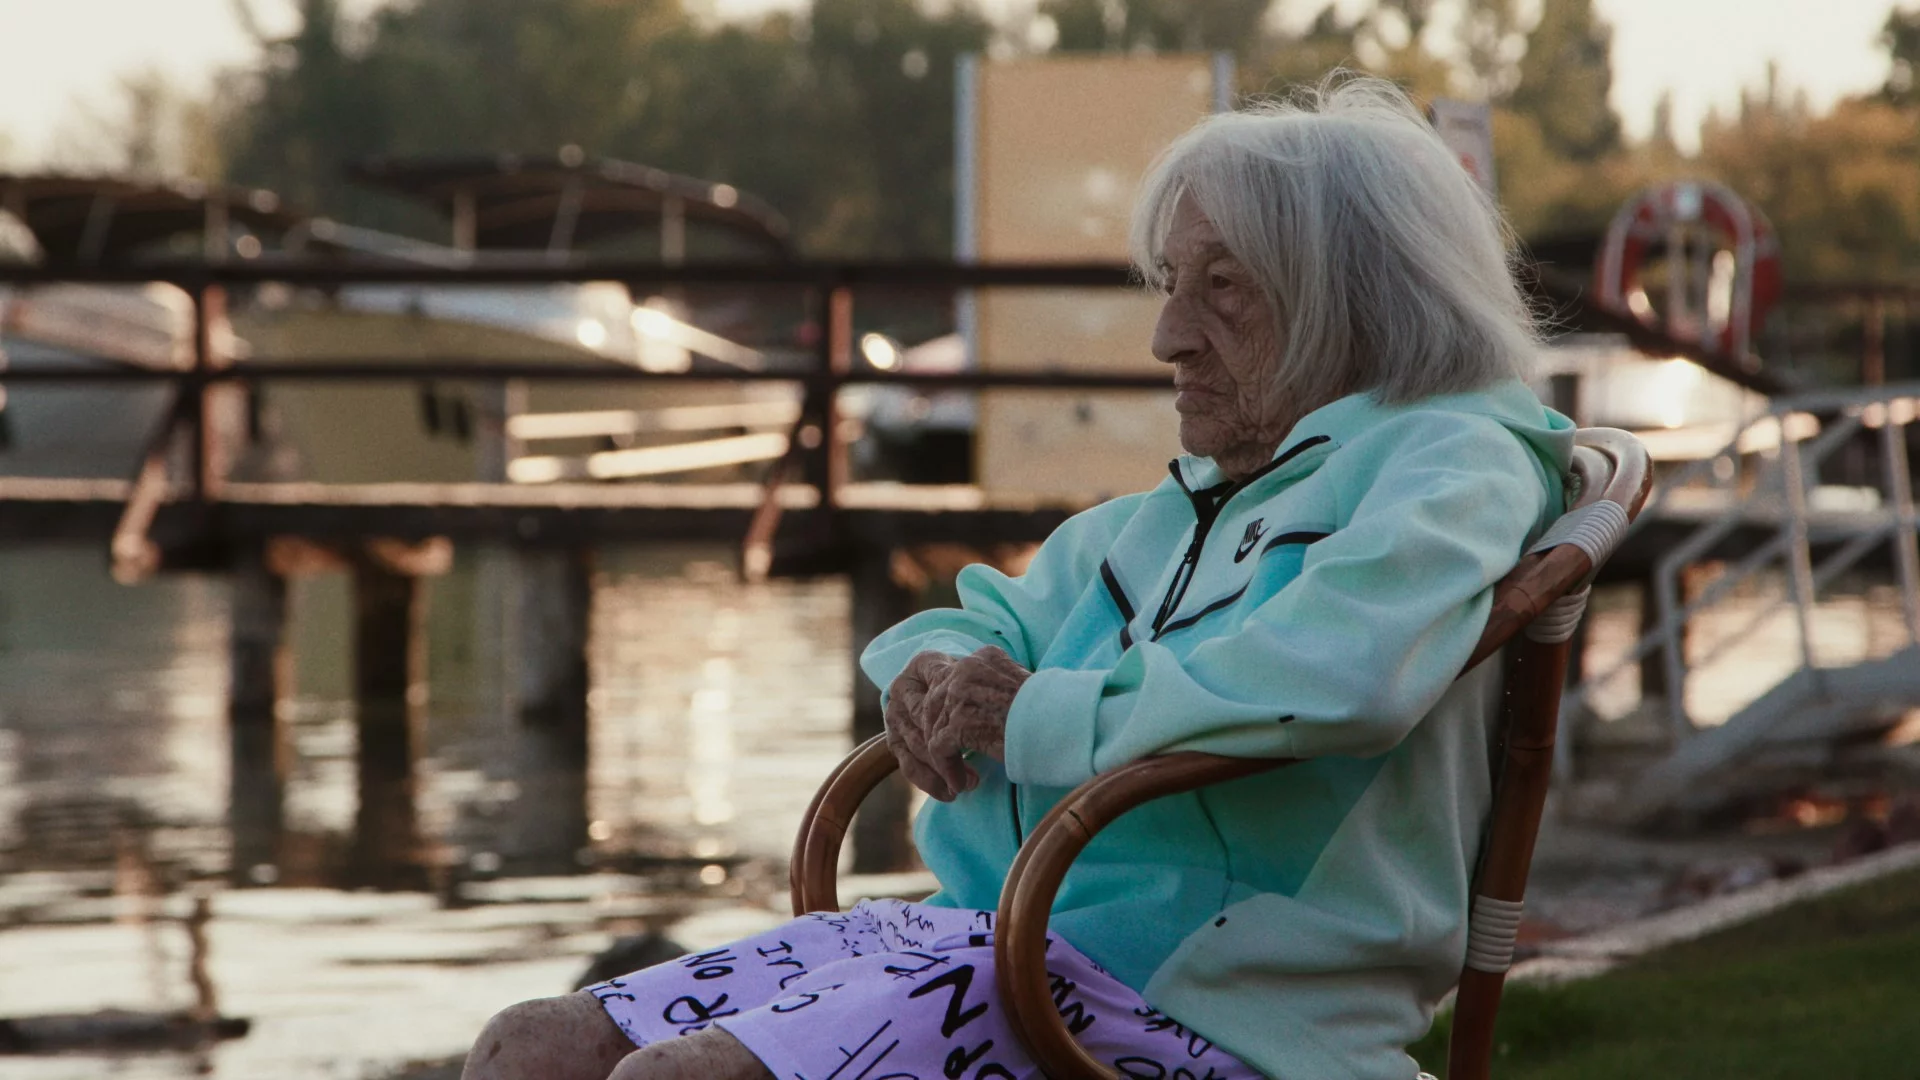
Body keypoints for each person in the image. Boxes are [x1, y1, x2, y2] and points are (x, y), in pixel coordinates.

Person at [462, 73, 1573, 1080]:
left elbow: (1341, 672)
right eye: (1171, 284)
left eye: (1223, 287)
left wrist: (1037, 716)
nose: (1168, 336)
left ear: (1356, 296)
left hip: (1212, 1007)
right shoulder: (1190, 502)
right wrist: (933, 675)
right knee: (527, 1048)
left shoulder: (1449, 462)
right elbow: (997, 617)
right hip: (1004, 944)